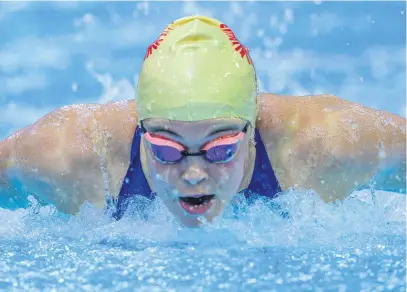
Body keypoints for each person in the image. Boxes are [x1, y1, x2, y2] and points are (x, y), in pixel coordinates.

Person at [0, 15, 405, 227]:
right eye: (167, 149)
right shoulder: (71, 158)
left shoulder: (324, 147)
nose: (193, 173)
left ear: (251, 131)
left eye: (220, 149)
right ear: (141, 133)